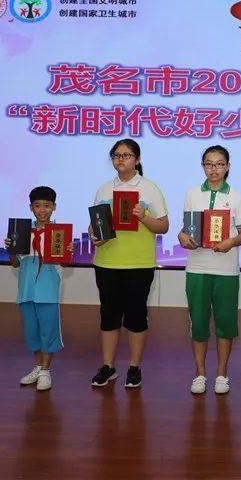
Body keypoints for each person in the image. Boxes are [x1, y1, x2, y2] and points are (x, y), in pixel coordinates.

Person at [89, 139, 169, 389]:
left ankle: (134, 367)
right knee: (108, 316)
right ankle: (108, 366)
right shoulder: (104, 189)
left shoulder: (149, 189)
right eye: (116, 155)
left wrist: (143, 217)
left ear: (137, 159)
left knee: (136, 317)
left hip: (138, 264)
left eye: (126, 155)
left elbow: (163, 226)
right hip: (107, 262)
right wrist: (94, 234)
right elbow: (94, 225)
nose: (120, 159)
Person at [177, 145, 241, 395]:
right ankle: (199, 374)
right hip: (197, 268)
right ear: (203, 166)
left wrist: (230, 242)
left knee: (225, 323)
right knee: (198, 322)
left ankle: (221, 374)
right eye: (208, 164)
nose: (213, 168)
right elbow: (186, 229)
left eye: (219, 164)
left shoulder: (236, 197)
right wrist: (181, 237)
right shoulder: (192, 194)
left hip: (226, 270)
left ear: (228, 166)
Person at [4, 186, 71, 392]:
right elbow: (15, 263)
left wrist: (69, 251)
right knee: (32, 331)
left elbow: (65, 263)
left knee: (48, 331)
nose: (42, 210)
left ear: (54, 207)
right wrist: (11, 249)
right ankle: (39, 366)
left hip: (48, 291)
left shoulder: (59, 233)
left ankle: (46, 371)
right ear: (31, 207)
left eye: (47, 206)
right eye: (38, 206)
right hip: (26, 290)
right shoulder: (22, 231)